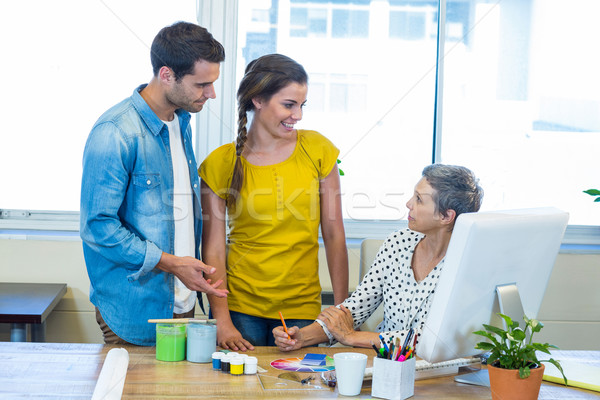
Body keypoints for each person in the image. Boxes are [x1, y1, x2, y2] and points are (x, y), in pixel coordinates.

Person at [80, 22, 228, 346]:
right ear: (166, 75)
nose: (211, 94)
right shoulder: (115, 132)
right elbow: (98, 227)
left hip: (181, 303)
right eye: (202, 84)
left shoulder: (181, 122)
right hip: (134, 310)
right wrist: (172, 264)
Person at [200, 54, 349, 350]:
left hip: (303, 308)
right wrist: (223, 321)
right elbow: (214, 250)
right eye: (289, 105)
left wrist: (340, 312)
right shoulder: (220, 163)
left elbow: (334, 236)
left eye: (302, 105)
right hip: (241, 310)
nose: (298, 115)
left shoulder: (318, 150)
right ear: (257, 100)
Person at [274, 164, 484, 351]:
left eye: (419, 200)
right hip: (382, 364)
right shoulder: (398, 242)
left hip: (437, 377)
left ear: (446, 216)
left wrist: (352, 337)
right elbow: (354, 309)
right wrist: (302, 337)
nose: (408, 204)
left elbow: (429, 340)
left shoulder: (467, 266)